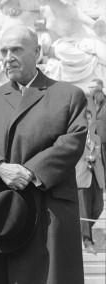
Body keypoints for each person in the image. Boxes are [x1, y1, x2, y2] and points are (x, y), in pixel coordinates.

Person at [0, 26, 87, 284]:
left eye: (16, 50)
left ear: (37, 52)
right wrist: (0, 168)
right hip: (1, 210)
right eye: (4, 51)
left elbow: (72, 142)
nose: (8, 57)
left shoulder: (68, 95)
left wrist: (30, 171)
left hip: (48, 208)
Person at [76, 109, 105, 255]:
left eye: (89, 118)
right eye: (85, 118)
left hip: (96, 177)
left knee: (99, 207)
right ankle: (87, 241)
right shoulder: (75, 137)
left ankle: (80, 229)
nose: (87, 121)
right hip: (82, 177)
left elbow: (100, 158)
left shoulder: (96, 138)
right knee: (84, 210)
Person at [89, 79, 106, 172]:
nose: (90, 89)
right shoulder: (90, 101)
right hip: (93, 140)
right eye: (89, 87)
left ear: (99, 89)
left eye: (92, 87)